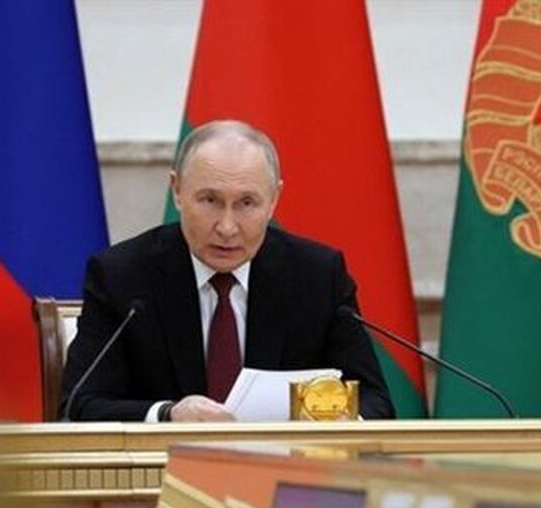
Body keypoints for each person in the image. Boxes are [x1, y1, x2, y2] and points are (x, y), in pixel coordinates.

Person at [62, 120, 394, 421]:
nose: (227, 227)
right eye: (210, 200)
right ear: (177, 191)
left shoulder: (317, 276)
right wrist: (168, 414)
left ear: (274, 200)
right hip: (163, 465)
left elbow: (375, 401)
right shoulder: (121, 276)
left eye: (247, 203)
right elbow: (79, 404)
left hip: (285, 466)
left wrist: (341, 420)